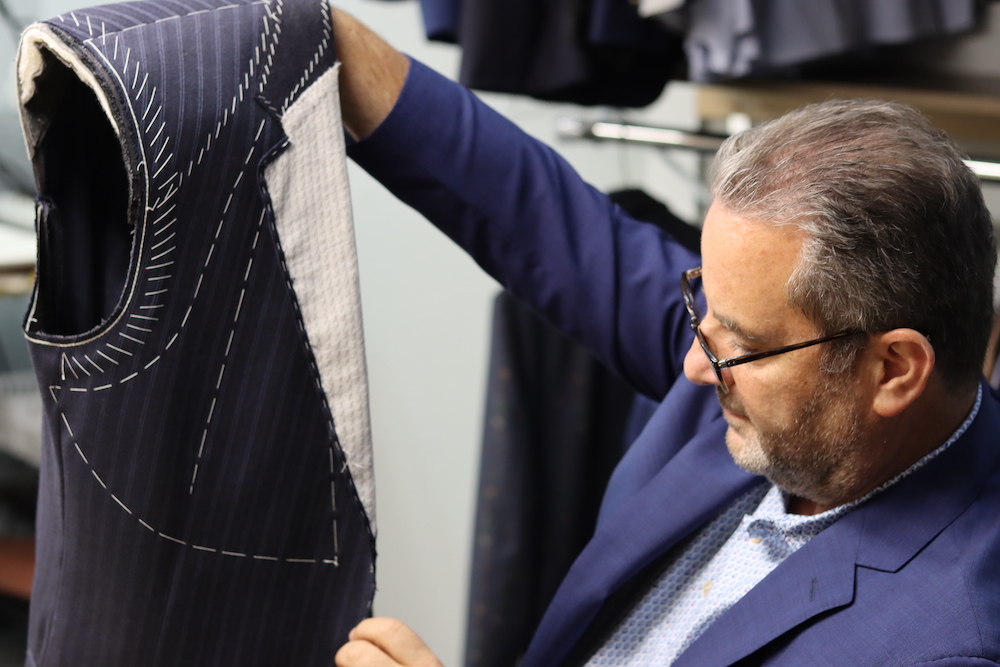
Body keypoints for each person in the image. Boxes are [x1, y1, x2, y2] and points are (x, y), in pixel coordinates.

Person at [331, 8, 1000, 667]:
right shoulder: (778, 367)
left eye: (740, 343)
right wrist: (314, 34)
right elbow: (529, 211)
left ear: (892, 370)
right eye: (702, 304)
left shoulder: (948, 644)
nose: (694, 366)